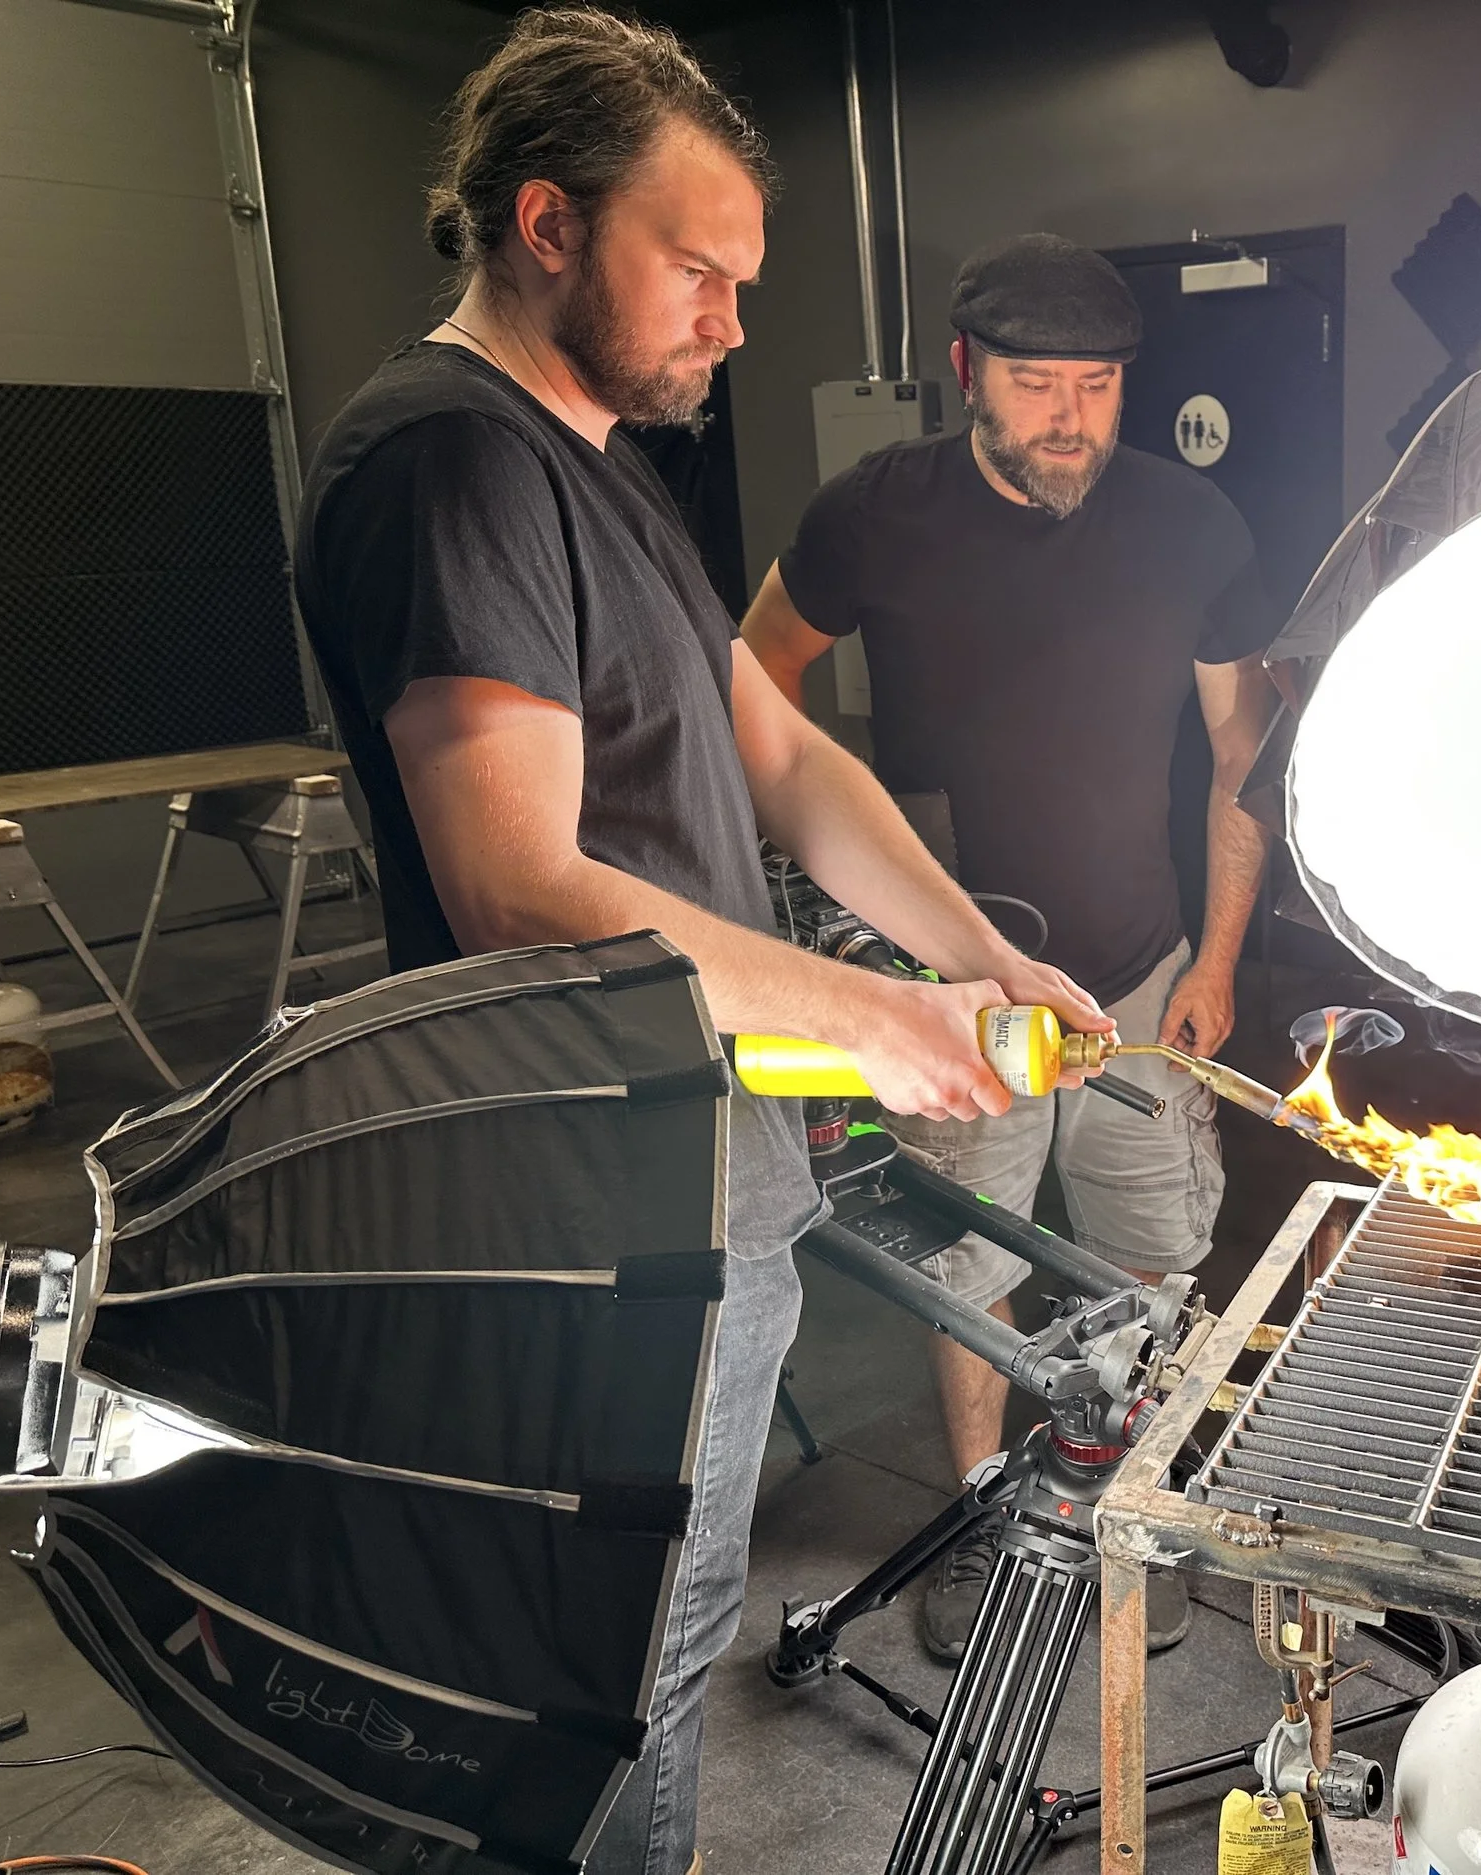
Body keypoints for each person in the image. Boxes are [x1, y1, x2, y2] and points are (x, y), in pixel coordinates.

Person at [292, 16, 1105, 1875]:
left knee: (673, 1615)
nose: (735, 321)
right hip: (592, 1199)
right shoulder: (451, 461)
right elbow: (522, 884)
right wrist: (881, 1020)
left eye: (745, 278)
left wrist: (978, 959)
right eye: (699, 271)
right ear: (547, 225)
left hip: (695, 1159)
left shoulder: (599, 463)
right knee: (617, 1655)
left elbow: (790, 761)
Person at [740, 234, 1282, 1661]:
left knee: (1151, 1253)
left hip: (1139, 971)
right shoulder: (874, 513)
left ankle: (1134, 1507)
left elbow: (1245, 755)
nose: (1069, 419)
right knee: (970, 1268)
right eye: (1037, 384)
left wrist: (1218, 959)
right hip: (954, 987)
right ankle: (986, 1509)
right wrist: (832, 888)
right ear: (967, 372)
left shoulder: (1193, 526)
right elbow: (754, 681)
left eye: (1097, 386)